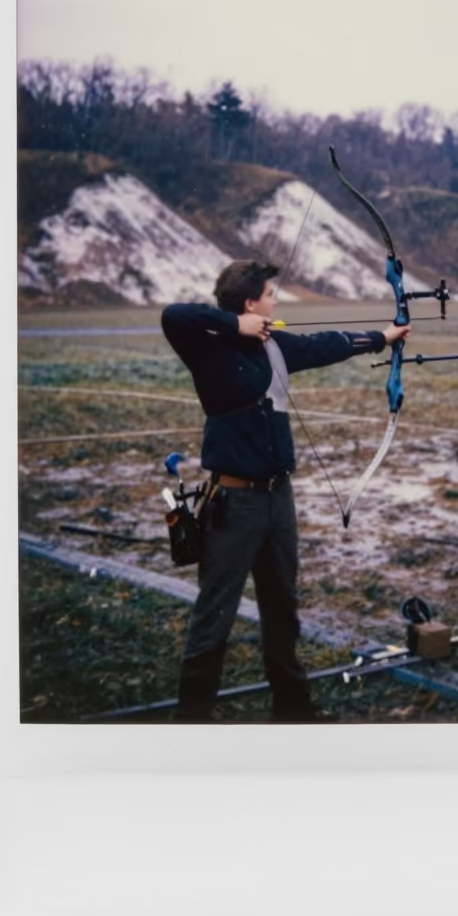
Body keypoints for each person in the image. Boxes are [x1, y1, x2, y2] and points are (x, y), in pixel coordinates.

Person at [160, 259, 410, 723]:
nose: (277, 303)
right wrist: (235, 324)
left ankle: (293, 712)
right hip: (233, 503)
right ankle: (190, 725)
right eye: (271, 296)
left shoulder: (276, 346)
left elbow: (325, 345)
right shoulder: (208, 349)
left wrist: (383, 337)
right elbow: (174, 314)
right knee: (214, 617)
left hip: (278, 501)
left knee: (282, 610)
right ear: (251, 302)